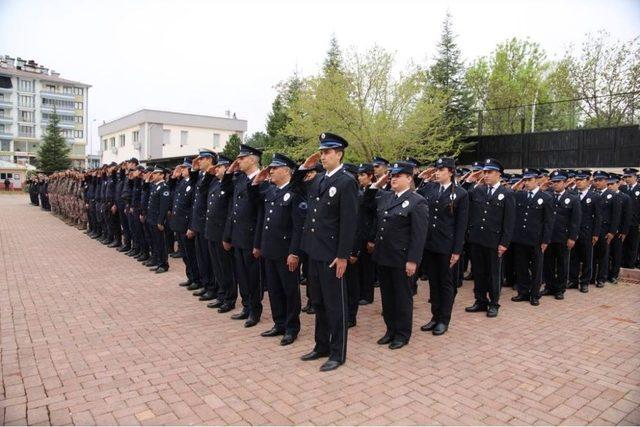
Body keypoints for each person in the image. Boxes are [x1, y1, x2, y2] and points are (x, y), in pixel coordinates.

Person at [297, 132, 358, 372]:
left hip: (333, 256)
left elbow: (348, 222)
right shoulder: (319, 179)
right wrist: (305, 165)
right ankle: (320, 345)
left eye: (327, 152)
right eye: (321, 152)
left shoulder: (346, 181)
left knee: (335, 306)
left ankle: (337, 353)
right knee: (318, 302)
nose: (323, 156)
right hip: (315, 251)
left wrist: (343, 255)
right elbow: (296, 184)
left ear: (339, 154)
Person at [365, 161, 428, 349]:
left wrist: (412, 260)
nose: (393, 178)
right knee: (387, 297)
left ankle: (402, 334)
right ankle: (390, 330)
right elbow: (366, 202)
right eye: (392, 175)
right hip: (383, 256)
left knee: (402, 298)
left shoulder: (417, 201)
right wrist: (376, 184)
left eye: (398, 175)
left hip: (402, 259)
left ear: (409, 178)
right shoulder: (386, 197)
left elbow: (419, 236)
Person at [252, 153, 305, 345]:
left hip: (286, 252)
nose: (270, 171)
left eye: (275, 168)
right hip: (270, 249)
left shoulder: (295, 193)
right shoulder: (271, 191)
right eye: (270, 168)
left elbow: (298, 227)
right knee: (274, 290)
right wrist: (259, 245)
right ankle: (279, 323)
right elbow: (262, 220)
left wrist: (294, 253)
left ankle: (292, 327)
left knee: (289, 291)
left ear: (286, 170)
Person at [417, 157, 468, 336]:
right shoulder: (430, 188)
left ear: (451, 172)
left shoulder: (461, 193)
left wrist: (456, 251)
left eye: (441, 170)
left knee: (445, 283)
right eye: (436, 169)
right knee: (433, 282)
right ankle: (435, 316)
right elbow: (415, 192)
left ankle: (444, 319)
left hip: (447, 246)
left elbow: (461, 225)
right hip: (430, 244)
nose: (437, 172)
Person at [464, 158, 515, 318]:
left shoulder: (507, 194)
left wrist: (504, 243)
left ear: (498, 174)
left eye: (489, 172)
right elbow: (463, 195)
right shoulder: (477, 190)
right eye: (484, 172)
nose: (486, 175)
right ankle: (480, 300)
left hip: (494, 241)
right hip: (477, 239)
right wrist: (469, 181)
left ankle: (493, 303)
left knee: (493, 273)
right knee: (478, 272)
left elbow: (509, 222)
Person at [224, 144, 264, 328]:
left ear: (253, 159)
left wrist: (258, 243)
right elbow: (229, 201)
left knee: (253, 277)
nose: (238, 161)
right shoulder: (239, 179)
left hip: (251, 237)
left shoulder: (262, 180)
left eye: (242, 158)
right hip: (238, 235)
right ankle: (246, 306)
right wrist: (228, 235)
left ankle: (255, 311)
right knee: (241, 275)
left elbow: (262, 216)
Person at [510, 168, 554, 306]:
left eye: (530, 180)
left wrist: (545, 240)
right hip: (521, 239)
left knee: (536, 268)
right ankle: (523, 292)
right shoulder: (520, 195)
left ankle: (534, 295)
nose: (527, 183)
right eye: (525, 180)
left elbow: (548, 222)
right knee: (521, 267)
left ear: (537, 180)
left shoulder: (546, 198)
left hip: (536, 240)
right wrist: (514, 187)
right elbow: (508, 197)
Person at [203, 155, 236, 313]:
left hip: (222, 233)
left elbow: (230, 212)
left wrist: (227, 236)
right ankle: (222, 295)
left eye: (219, 167)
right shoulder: (214, 183)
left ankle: (229, 298)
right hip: (211, 231)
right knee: (217, 267)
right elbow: (202, 191)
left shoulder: (231, 184)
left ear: (228, 168)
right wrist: (208, 174)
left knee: (226, 268)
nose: (216, 170)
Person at [542, 170, 581, 299]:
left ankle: (560, 289)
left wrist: (572, 237)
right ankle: (549, 286)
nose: (555, 184)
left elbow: (575, 221)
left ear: (565, 183)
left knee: (562, 264)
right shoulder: (547, 196)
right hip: (548, 237)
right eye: (553, 182)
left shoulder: (573, 198)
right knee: (548, 263)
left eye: (558, 182)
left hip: (563, 237)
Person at [592, 170, 621, 287]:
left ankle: (601, 278)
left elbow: (616, 215)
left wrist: (612, 232)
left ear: (606, 181)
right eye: (596, 180)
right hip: (593, 229)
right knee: (592, 255)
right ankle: (591, 277)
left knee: (603, 255)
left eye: (600, 180)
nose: (597, 182)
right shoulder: (592, 193)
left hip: (605, 230)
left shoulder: (613, 195)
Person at [146, 166, 172, 273]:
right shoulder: (155, 186)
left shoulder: (164, 187)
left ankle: (163, 264)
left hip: (158, 220)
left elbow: (164, 206)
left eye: (156, 174)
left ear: (162, 175)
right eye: (154, 173)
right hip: (152, 219)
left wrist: (160, 221)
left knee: (161, 243)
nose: (154, 175)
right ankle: (158, 262)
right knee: (156, 242)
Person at [607, 173, 630, 284]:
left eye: (612, 184)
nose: (610, 186)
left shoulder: (625, 197)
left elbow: (627, 215)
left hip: (618, 231)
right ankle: (605, 274)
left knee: (616, 254)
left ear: (617, 184)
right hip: (607, 230)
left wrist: (624, 231)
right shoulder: (604, 196)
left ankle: (613, 275)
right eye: (608, 184)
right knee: (605, 254)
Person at [620, 168, 640, 269]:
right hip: (623, 222)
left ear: (635, 177)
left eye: (629, 177)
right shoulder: (622, 189)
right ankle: (622, 262)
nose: (627, 179)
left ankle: (630, 264)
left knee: (633, 244)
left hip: (635, 222)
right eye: (625, 177)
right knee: (622, 244)